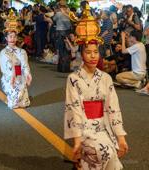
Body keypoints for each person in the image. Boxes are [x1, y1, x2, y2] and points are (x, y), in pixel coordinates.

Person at [64, 4, 128, 169]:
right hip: (84, 128)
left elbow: (113, 107)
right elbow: (74, 109)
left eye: (96, 52)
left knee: (111, 158)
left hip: (104, 126)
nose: (93, 56)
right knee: (103, 151)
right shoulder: (74, 78)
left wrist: (120, 136)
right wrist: (77, 140)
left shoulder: (105, 77)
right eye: (88, 52)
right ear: (81, 53)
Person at [0, 10, 32, 109]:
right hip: (10, 78)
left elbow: (25, 64)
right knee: (13, 104)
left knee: (24, 104)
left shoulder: (22, 51)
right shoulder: (3, 52)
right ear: (6, 38)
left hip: (20, 78)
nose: (13, 39)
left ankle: (18, 96)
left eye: (14, 37)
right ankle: (10, 96)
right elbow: (7, 66)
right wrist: (12, 75)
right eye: (10, 37)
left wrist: (27, 74)